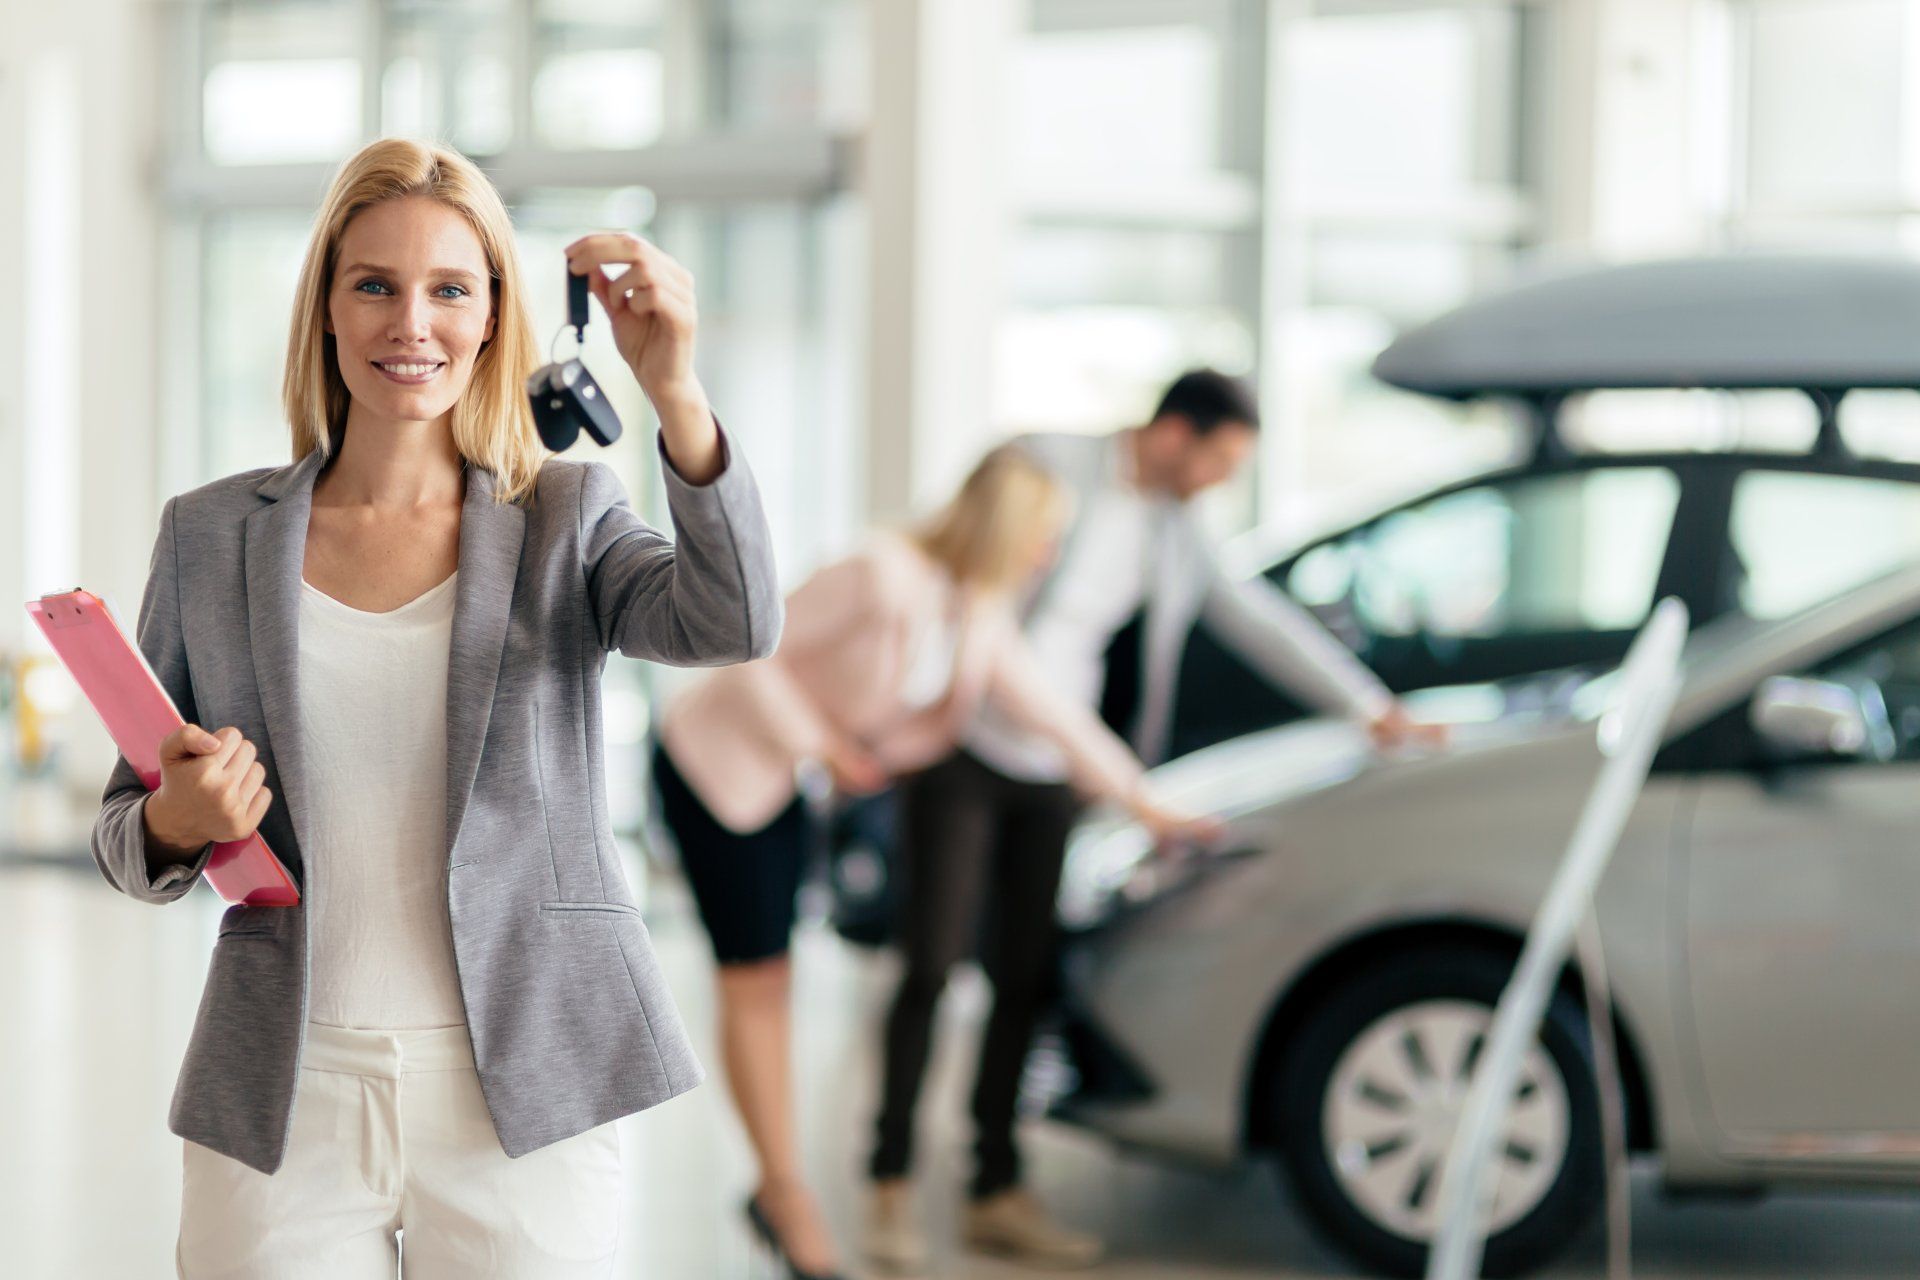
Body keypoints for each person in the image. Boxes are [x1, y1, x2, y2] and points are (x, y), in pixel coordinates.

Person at [86, 138, 783, 1278]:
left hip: (527, 1076)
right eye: (375, 285)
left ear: (497, 316)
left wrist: (676, 392)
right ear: (325, 308)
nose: (413, 322)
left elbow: (733, 620)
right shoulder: (211, 534)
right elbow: (127, 833)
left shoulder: (565, 516)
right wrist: (181, 817)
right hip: (285, 1084)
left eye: (451, 288)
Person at [863, 370, 1447, 1271]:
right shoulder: (1043, 467)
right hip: (961, 748)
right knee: (932, 965)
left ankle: (994, 1190)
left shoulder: (1175, 530)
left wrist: (1367, 708)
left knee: (1027, 978)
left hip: (1055, 765)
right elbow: (960, 590)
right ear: (1176, 432)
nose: (1221, 480)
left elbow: (1254, 616)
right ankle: (888, 1187)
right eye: (1219, 459)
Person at [651, 446, 1214, 1280]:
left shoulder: (974, 611)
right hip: (719, 766)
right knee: (756, 979)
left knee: (770, 981)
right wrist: (827, 747)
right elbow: (744, 640)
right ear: (1005, 526)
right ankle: (785, 1194)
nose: (1048, 556)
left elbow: (1053, 715)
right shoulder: (881, 572)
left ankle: (780, 1189)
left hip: (788, 782)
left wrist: (1145, 803)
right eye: (1044, 537)